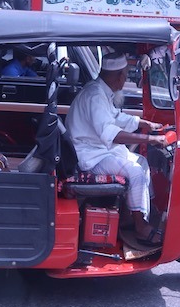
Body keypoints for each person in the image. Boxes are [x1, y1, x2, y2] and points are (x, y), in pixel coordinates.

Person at [66, 52, 168, 247]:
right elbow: (111, 132)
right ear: (119, 76)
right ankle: (141, 227)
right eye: (126, 74)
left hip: (99, 151)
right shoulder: (95, 95)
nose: (126, 79)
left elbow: (116, 117)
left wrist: (145, 123)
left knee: (142, 162)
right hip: (90, 158)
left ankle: (136, 214)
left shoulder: (100, 92)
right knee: (135, 172)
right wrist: (149, 139)